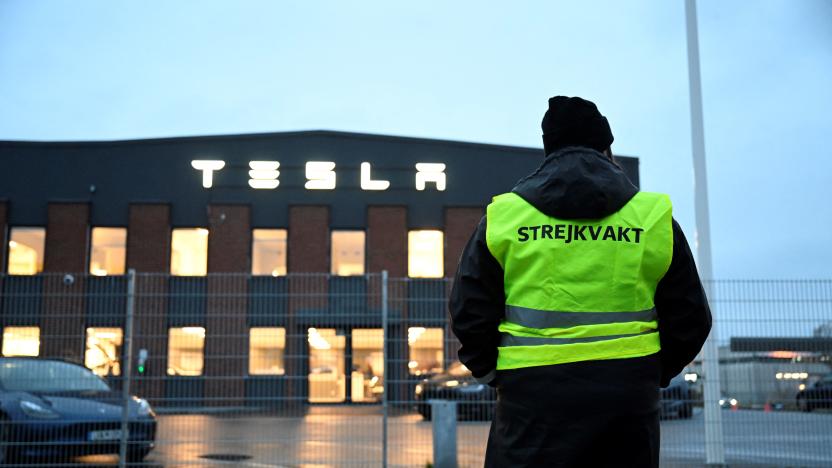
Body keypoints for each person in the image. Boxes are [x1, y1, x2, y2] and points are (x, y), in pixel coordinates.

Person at [448, 96, 712, 468]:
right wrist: (649, 373)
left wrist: (496, 373)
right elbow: (691, 318)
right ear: (607, 149)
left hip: (531, 403)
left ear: (549, 150)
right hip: (626, 402)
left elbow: (468, 312)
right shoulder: (652, 218)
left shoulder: (505, 216)